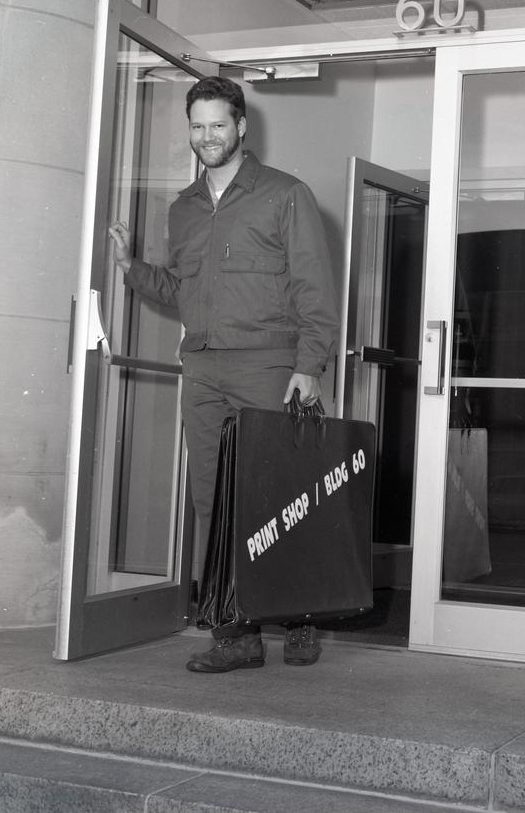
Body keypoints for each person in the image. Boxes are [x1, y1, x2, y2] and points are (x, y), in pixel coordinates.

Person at [108, 75, 338, 673]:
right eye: (198, 126)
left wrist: (308, 367)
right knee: (213, 497)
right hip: (203, 370)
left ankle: (302, 615)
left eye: (218, 124)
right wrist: (132, 268)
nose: (208, 136)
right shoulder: (183, 209)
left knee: (279, 496)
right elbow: (182, 290)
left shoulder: (285, 195)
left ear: (241, 127)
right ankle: (235, 634)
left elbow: (315, 289)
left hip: (269, 365)